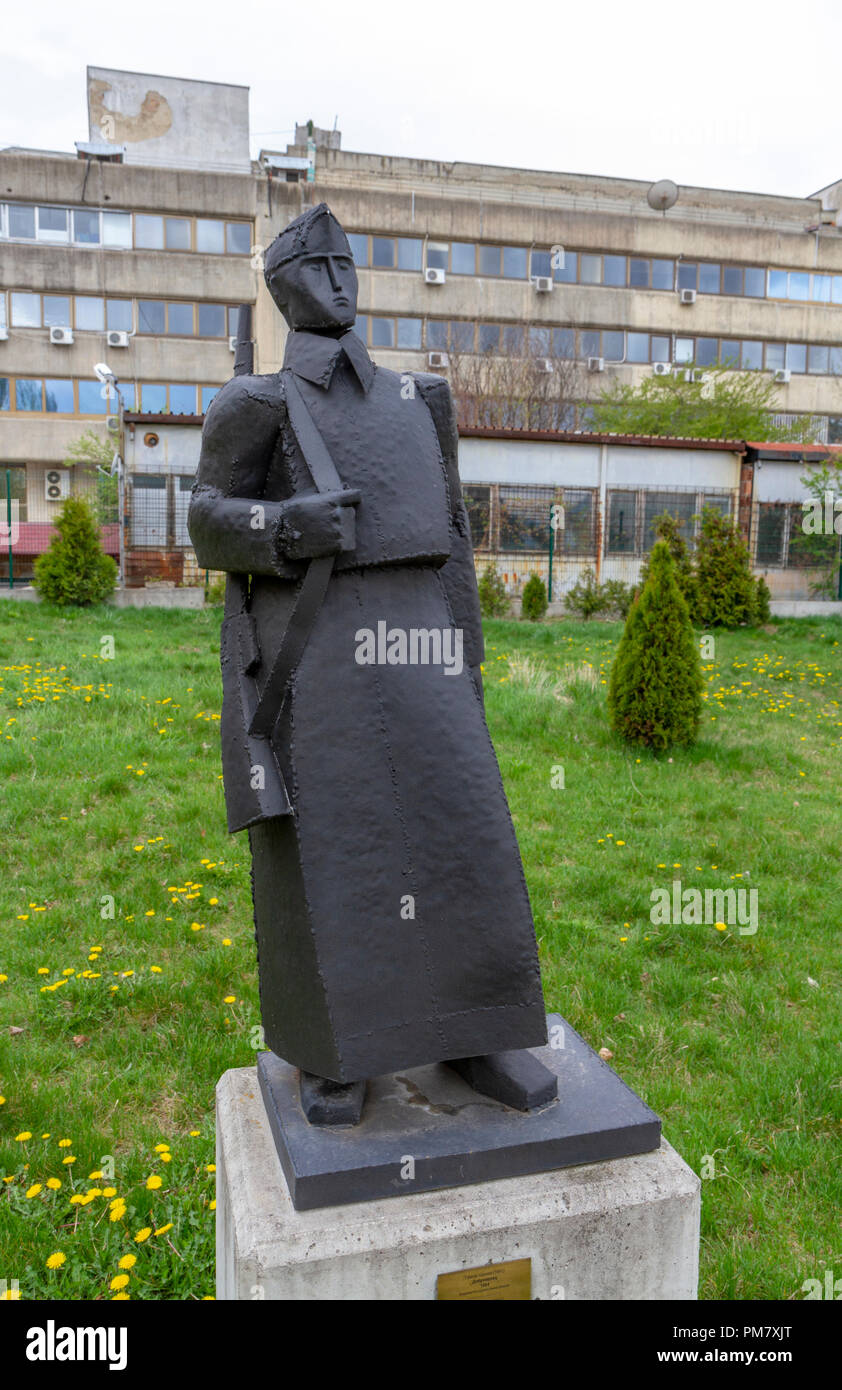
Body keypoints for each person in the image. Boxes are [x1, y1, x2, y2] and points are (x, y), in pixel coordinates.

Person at [189, 203, 555, 1125]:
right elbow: (205, 518)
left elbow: (457, 539)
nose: (339, 276)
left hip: (421, 633)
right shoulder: (255, 405)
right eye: (316, 263)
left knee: (460, 829)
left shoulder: (418, 400)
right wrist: (280, 526)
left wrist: (466, 659)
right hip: (316, 649)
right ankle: (335, 1048)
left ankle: (479, 1028)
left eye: (346, 259)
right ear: (282, 285)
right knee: (336, 850)